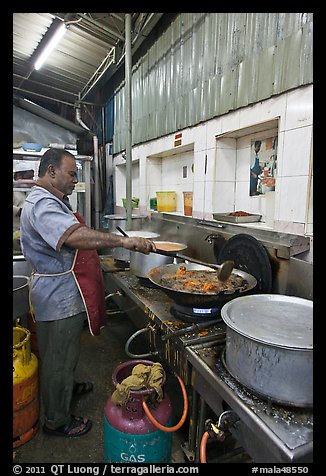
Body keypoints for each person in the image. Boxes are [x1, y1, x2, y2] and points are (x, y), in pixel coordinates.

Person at [19, 148, 157, 438]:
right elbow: (73, 235)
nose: (75, 180)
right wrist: (126, 242)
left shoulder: (53, 200)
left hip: (63, 294)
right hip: (57, 297)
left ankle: (65, 389)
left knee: (64, 354)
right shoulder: (42, 203)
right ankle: (56, 421)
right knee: (57, 359)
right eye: (71, 173)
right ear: (52, 171)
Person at [13, 161, 35, 231]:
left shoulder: (29, 191)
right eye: (29, 177)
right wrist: (21, 212)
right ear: (18, 177)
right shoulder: (14, 190)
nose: (31, 180)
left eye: (32, 177)